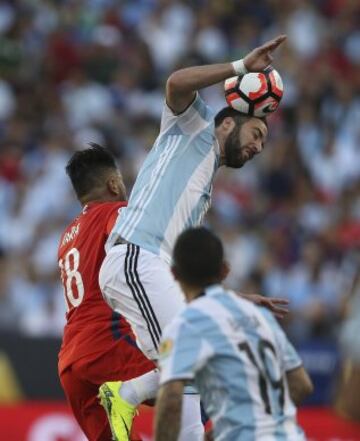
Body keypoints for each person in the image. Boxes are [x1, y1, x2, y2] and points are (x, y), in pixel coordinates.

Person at [98, 35, 288, 440]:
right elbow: (176, 83)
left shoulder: (202, 196)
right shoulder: (194, 125)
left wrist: (232, 297)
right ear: (227, 122)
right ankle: (128, 395)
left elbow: (185, 274)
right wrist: (240, 67)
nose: (258, 147)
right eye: (256, 134)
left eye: (263, 143)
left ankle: (126, 393)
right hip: (136, 255)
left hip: (152, 269)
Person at [155, 227, 313, 441]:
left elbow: (171, 401)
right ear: (225, 270)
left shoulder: (185, 323)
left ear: (174, 274)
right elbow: (301, 384)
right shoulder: (260, 316)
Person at [57, 144, 156, 441]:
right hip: (105, 341)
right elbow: (126, 238)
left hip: (70, 360)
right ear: (113, 184)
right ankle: (124, 394)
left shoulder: (67, 235)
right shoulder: (116, 211)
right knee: (189, 387)